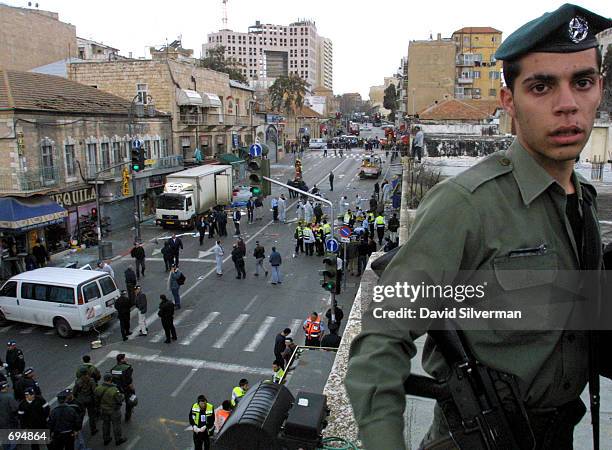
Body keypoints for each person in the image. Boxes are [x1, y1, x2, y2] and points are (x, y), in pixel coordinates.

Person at [346, 5, 611, 449]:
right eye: (541, 86)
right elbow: (381, 338)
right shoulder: (466, 206)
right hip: (479, 438)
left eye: (581, 82)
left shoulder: (580, 202)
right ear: (509, 102)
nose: (567, 104)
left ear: (599, 89)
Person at [95, 373, 126, 446]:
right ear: (111, 379)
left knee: (105, 424)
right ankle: (118, 439)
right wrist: (123, 396)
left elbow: (96, 399)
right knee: (116, 425)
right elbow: (120, 399)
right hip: (114, 410)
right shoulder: (114, 390)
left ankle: (106, 439)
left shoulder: (98, 388)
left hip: (104, 410)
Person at [73, 367, 98, 437]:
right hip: (90, 400)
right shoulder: (91, 380)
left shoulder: (78, 381)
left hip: (81, 400)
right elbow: (94, 391)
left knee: (81, 415)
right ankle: (93, 429)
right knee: (92, 415)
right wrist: (95, 400)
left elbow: (75, 391)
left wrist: (76, 397)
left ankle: (79, 430)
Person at [111, 353, 135, 423]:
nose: (126, 359)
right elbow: (129, 379)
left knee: (116, 402)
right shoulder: (127, 367)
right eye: (124, 358)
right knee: (130, 401)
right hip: (126, 387)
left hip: (117, 388)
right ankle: (128, 416)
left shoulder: (113, 369)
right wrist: (131, 387)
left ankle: (115, 415)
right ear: (122, 360)